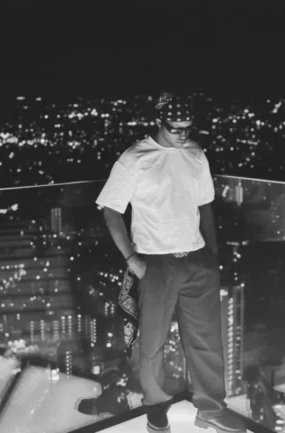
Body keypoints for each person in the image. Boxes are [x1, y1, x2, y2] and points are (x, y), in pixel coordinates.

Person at [95, 92, 247, 433]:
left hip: (197, 259)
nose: (182, 134)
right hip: (155, 262)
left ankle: (210, 409)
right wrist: (132, 259)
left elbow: (205, 205)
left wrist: (212, 255)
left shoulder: (195, 153)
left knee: (207, 339)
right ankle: (156, 406)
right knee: (152, 341)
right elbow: (111, 211)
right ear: (159, 122)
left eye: (187, 127)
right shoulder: (135, 158)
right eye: (175, 128)